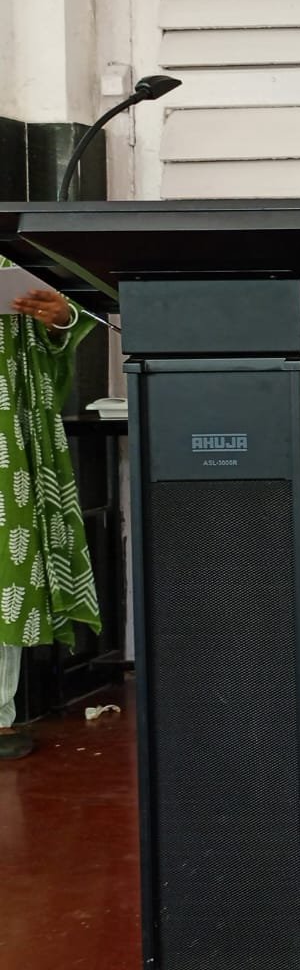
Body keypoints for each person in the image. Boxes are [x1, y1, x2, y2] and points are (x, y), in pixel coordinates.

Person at [0, 283, 100, 761]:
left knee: (7, 568)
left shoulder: (10, 260)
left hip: (5, 435)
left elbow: (65, 316)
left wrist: (60, 320)